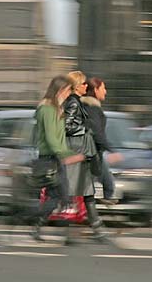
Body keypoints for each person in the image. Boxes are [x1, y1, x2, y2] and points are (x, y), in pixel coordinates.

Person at [29, 75, 83, 241]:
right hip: (50, 159)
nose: (69, 94)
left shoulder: (56, 108)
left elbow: (59, 139)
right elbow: (52, 139)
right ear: (60, 90)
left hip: (56, 158)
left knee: (60, 197)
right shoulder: (47, 109)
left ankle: (38, 226)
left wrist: (67, 153)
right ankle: (66, 234)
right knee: (62, 197)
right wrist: (67, 155)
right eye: (67, 90)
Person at [63, 70, 107, 241]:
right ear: (76, 86)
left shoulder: (75, 102)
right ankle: (89, 230)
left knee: (85, 191)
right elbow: (67, 127)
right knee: (80, 191)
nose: (86, 86)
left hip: (79, 152)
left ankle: (96, 228)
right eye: (83, 84)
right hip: (76, 151)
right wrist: (85, 129)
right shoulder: (73, 102)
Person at [81, 77, 123, 205]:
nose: (105, 92)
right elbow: (97, 132)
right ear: (95, 89)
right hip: (91, 152)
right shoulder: (93, 109)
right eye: (103, 88)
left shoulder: (84, 107)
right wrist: (111, 150)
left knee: (103, 182)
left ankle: (95, 208)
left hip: (87, 151)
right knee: (105, 182)